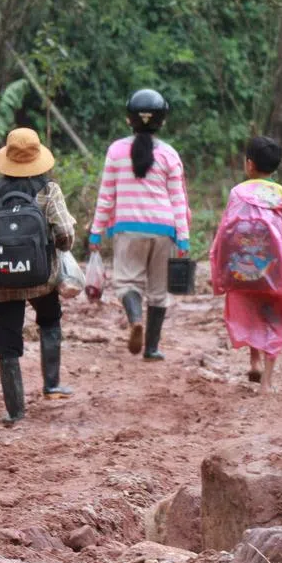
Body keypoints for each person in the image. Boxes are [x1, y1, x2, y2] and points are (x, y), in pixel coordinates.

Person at [0, 128, 77, 425]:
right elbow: (65, 233)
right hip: (42, 278)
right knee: (50, 320)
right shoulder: (48, 190)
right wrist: (59, 251)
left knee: (7, 344)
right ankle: (52, 385)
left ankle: (15, 411)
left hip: (1, 281)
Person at [89, 89, 190, 360]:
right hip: (164, 229)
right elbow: (178, 198)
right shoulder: (170, 155)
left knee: (127, 283)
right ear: (163, 121)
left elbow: (106, 195)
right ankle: (152, 348)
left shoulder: (116, 151)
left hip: (128, 228)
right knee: (159, 292)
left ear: (128, 120)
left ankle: (135, 319)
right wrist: (184, 237)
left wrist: (96, 231)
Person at [209, 136, 282, 392]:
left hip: (241, 269)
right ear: (275, 167)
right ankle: (266, 381)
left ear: (249, 164)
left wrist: (218, 264)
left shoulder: (237, 193)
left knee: (249, 309)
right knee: (274, 315)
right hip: (276, 270)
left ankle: (253, 360)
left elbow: (225, 230)